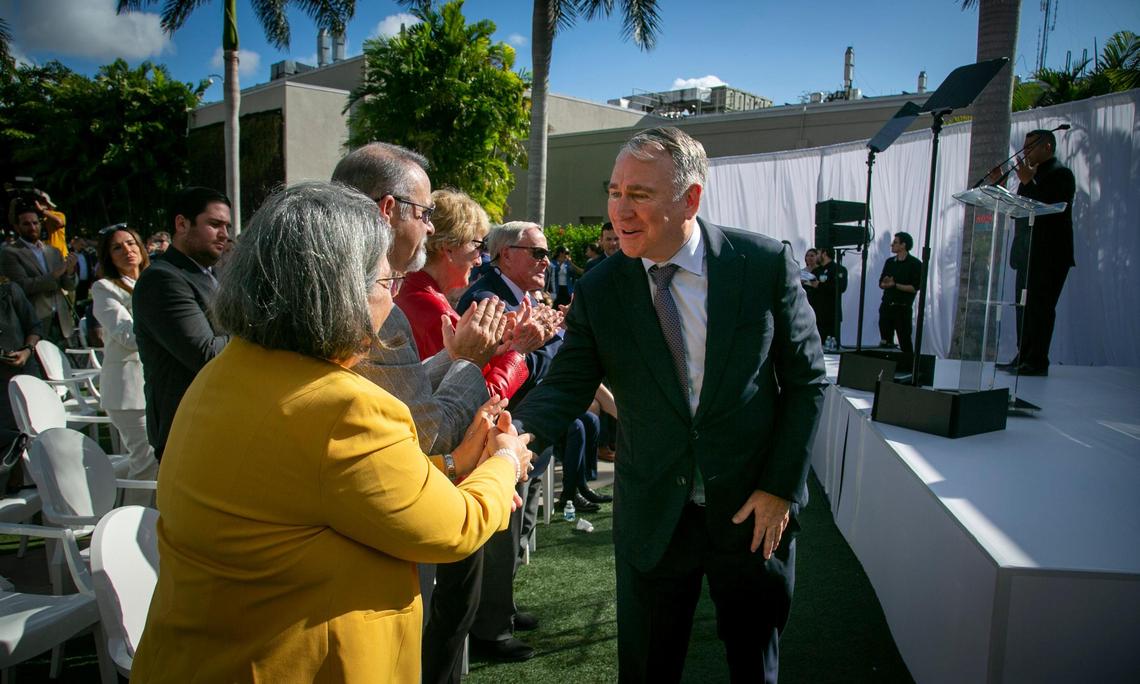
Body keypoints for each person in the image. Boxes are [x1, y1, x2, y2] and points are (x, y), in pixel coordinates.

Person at [130, 181, 533, 683]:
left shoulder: (226, 371)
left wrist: (449, 465)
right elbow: (453, 527)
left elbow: (325, 488)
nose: (393, 306)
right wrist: (505, 462)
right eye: (388, 285)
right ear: (341, 295)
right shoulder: (343, 405)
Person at [512, 126, 826, 683]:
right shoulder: (601, 288)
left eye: (640, 194)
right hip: (653, 515)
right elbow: (565, 386)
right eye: (614, 192)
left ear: (691, 198)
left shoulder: (763, 264)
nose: (620, 211)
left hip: (754, 513)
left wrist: (780, 488)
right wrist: (513, 443)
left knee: (755, 667)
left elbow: (806, 383)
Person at [132, 186, 231, 460]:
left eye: (227, 226)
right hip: (185, 430)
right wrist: (254, 330)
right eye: (214, 224)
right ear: (181, 223)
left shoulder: (216, 274)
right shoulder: (163, 280)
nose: (224, 233)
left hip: (220, 422)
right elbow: (206, 354)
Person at [995, 129, 1076, 376]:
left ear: (1047, 147)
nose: (1026, 151)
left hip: (1049, 255)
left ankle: (1038, 360)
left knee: (1040, 308)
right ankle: (1023, 355)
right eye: (1025, 146)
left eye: (1030, 146)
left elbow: (1053, 208)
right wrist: (1000, 190)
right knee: (1023, 307)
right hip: (1026, 253)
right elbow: (1021, 209)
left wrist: (1029, 181)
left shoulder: (1061, 174)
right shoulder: (1030, 176)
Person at [91, 223, 158, 502]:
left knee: (161, 460)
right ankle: (133, 530)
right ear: (109, 256)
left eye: (131, 243)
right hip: (128, 391)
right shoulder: (104, 288)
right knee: (145, 463)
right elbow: (126, 336)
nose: (126, 250)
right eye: (117, 247)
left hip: (156, 385)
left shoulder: (154, 279)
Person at [1, 200, 78, 345]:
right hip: (35, 321)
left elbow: (69, 286)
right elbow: (21, 287)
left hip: (62, 321)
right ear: (17, 227)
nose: (32, 227)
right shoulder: (10, 253)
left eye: (35, 223)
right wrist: (55, 274)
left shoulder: (53, 251)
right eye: (26, 224)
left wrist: (70, 271)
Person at [0, 276, 42, 453]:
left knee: (35, 425)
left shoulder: (9, 291)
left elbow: (34, 327)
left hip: (23, 371)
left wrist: (27, 350)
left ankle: (38, 476)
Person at [877, 232, 922, 366]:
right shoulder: (890, 262)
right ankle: (885, 367)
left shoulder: (915, 264)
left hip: (902, 308)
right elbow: (881, 283)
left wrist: (895, 285)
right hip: (886, 306)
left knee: (905, 341)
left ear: (904, 245)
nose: (892, 244)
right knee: (885, 340)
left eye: (895, 242)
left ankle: (909, 368)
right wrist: (885, 283)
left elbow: (915, 287)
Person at [809, 246, 847, 348]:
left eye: (817, 253)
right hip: (816, 315)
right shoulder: (816, 271)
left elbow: (840, 288)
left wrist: (820, 285)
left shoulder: (839, 269)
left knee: (831, 346)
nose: (816, 256)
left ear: (824, 254)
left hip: (831, 316)